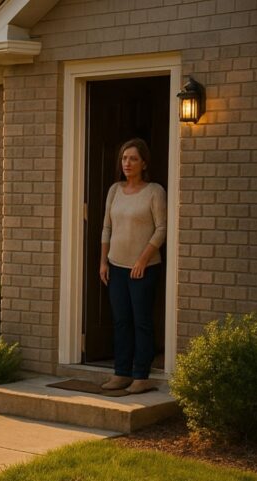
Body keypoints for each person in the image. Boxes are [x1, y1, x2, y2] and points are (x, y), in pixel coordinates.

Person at [99, 138, 166, 394]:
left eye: (133, 159)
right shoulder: (114, 190)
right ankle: (122, 372)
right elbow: (106, 227)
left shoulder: (155, 191)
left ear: (144, 163)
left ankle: (141, 375)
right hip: (115, 266)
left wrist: (142, 259)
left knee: (141, 322)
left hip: (144, 269)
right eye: (124, 158)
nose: (127, 163)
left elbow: (161, 229)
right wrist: (103, 261)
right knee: (121, 321)